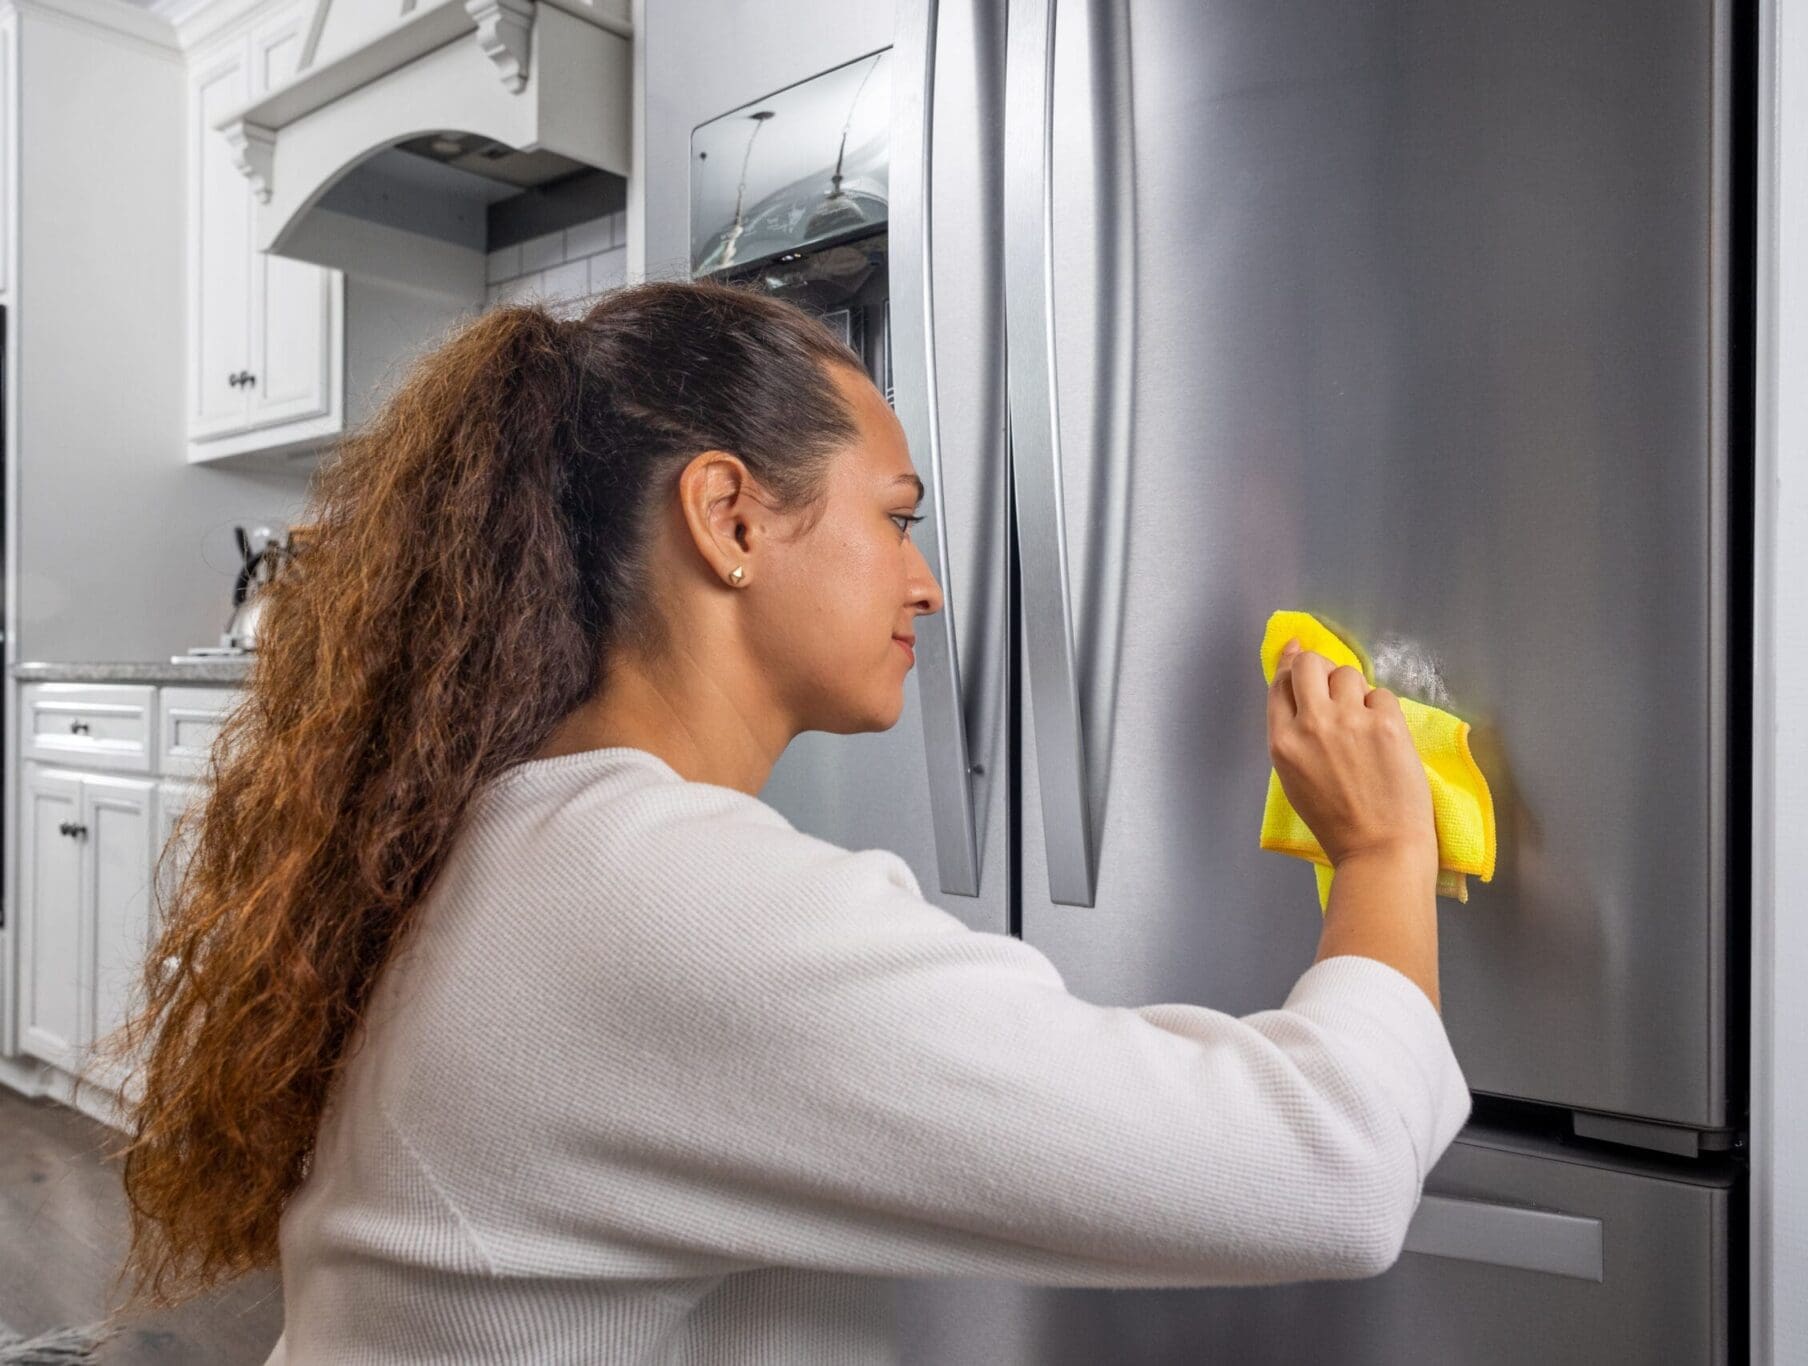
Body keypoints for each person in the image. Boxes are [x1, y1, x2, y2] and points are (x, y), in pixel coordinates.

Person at [108, 280, 1470, 1363]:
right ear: (730, 516)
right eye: (896, 517)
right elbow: (1328, 1165)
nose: (927, 584)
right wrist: (1384, 851)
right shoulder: (669, 902)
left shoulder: (539, 841)